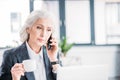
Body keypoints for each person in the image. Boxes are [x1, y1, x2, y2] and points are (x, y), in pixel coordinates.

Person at [0, 10, 60, 80]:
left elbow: (62, 78)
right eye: (39, 28)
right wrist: (15, 78)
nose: (43, 34)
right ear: (28, 29)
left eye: (48, 30)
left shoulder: (53, 54)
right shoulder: (10, 56)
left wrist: (53, 59)